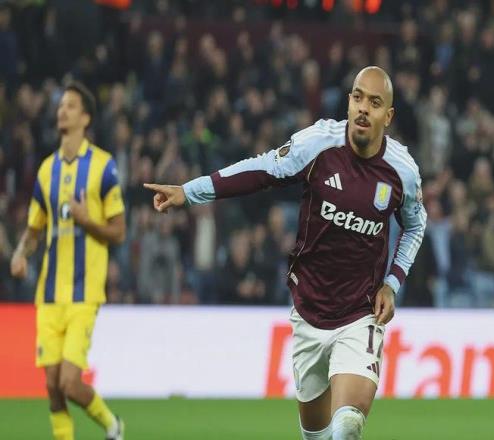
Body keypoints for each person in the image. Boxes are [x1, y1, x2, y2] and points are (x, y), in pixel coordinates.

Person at [145, 66, 427, 440]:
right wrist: (189, 191)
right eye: (358, 98)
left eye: (374, 103)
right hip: (308, 310)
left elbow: (415, 226)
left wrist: (392, 282)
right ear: (348, 102)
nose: (363, 108)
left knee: (347, 425)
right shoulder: (318, 144)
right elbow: (261, 169)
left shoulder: (402, 171)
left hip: (360, 314)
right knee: (316, 435)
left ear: (388, 116)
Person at [10, 81, 126, 440]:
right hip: (49, 292)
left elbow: (119, 231)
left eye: (71, 106)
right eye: (61, 105)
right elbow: (34, 228)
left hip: (84, 292)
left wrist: (87, 220)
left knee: (69, 382)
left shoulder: (103, 166)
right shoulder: (47, 170)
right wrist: (20, 253)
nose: (62, 110)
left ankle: (112, 425)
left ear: (86, 118)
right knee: (51, 386)